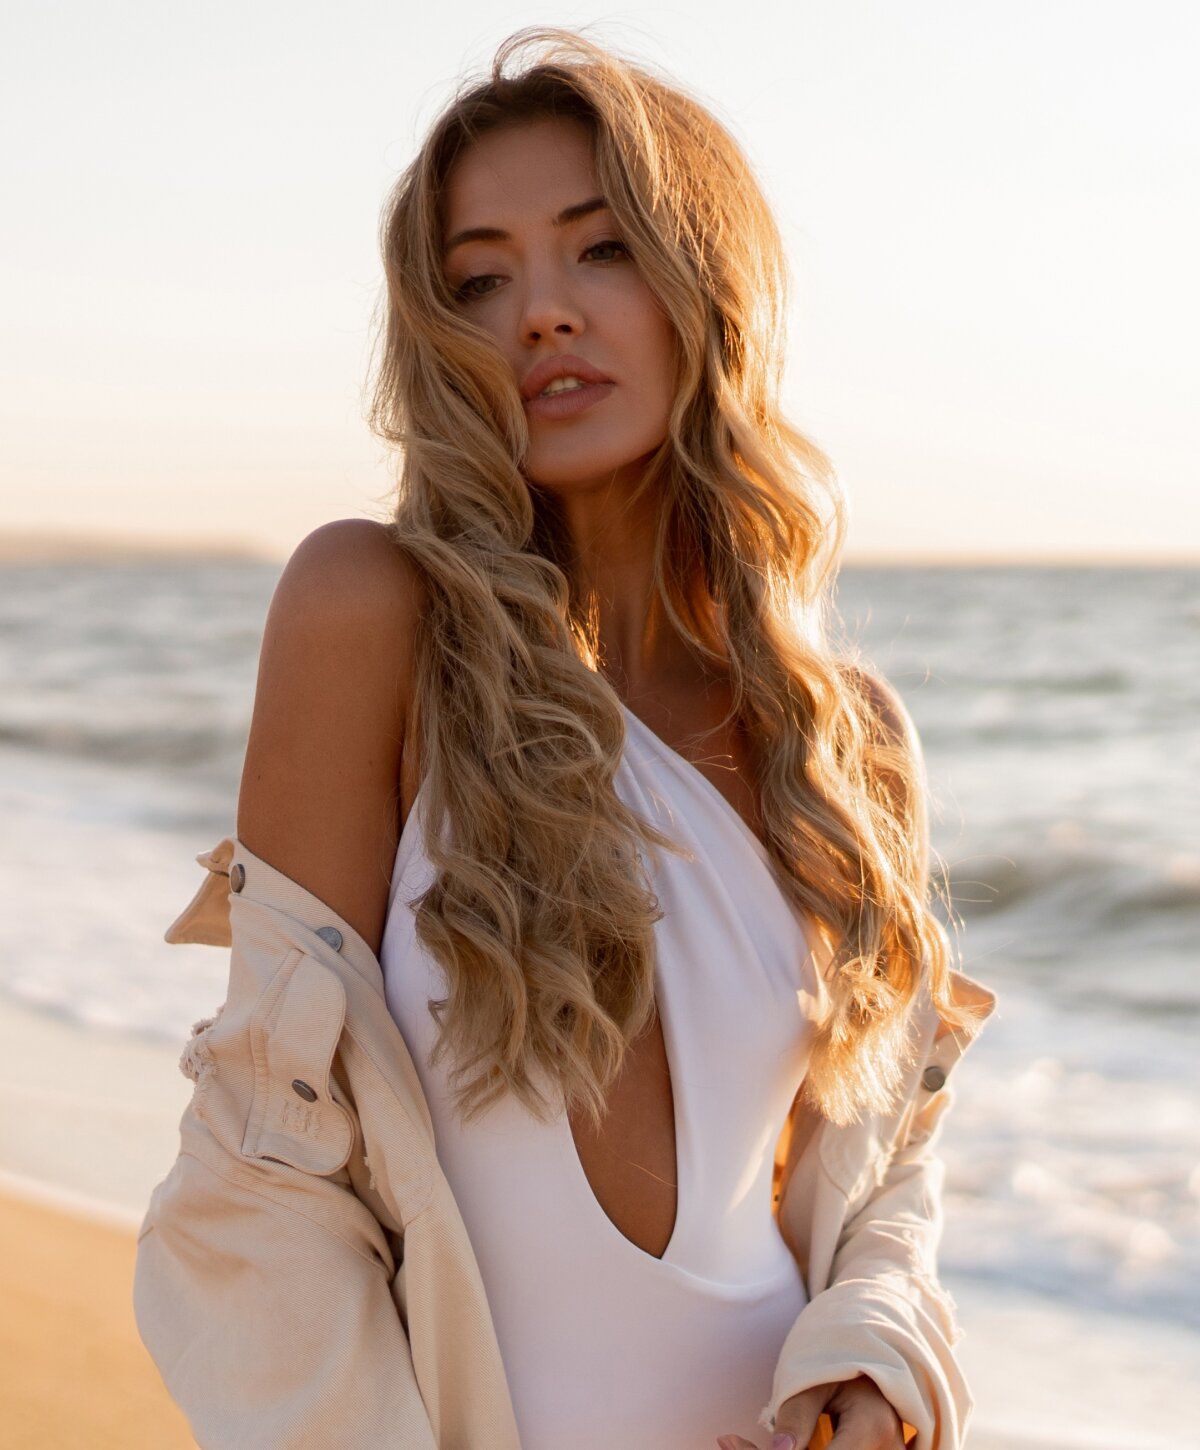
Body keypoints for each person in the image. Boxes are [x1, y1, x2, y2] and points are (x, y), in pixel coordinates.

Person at [138, 26, 996, 1450]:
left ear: (703, 285)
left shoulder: (846, 740)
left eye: (599, 250)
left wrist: (872, 1370)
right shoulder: (372, 614)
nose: (541, 311)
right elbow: (260, 1183)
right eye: (481, 277)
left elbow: (888, 1172)